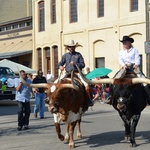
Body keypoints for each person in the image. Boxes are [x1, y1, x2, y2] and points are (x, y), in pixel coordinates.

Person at [57, 40, 93, 106]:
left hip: (77, 73)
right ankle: (56, 100)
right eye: (70, 47)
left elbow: (83, 64)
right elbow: (60, 63)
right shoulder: (65, 56)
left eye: (73, 46)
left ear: (75, 47)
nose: (71, 48)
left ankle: (88, 100)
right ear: (68, 47)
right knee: (56, 84)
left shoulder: (78, 55)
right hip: (67, 73)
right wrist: (60, 66)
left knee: (86, 85)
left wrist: (75, 63)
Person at [115, 35, 150, 103]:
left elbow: (138, 58)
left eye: (125, 42)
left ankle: (148, 97)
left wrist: (136, 64)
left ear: (129, 43)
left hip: (134, 68)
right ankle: (112, 97)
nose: (124, 44)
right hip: (124, 68)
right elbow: (120, 59)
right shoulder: (121, 52)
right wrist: (123, 65)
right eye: (123, 42)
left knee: (144, 81)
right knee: (115, 80)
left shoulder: (134, 50)